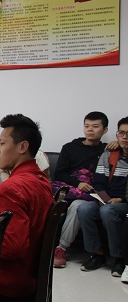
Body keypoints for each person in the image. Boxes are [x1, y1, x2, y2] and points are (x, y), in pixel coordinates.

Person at [0, 114, 53, 299]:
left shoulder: (12, 188)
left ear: (22, 147)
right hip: (27, 273)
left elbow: (12, 248)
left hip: (4, 279)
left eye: (2, 143)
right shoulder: (40, 179)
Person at [51, 111, 110, 268]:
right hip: (71, 190)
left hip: (92, 194)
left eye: (95, 126)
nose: (89, 130)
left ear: (105, 130)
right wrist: (78, 183)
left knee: (78, 206)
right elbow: (59, 173)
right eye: (86, 126)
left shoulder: (107, 151)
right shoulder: (70, 148)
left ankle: (61, 248)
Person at [77, 117, 128, 276]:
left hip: (124, 202)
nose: (125, 137)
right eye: (121, 133)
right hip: (106, 199)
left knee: (108, 211)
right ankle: (97, 254)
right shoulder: (109, 155)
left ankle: (120, 258)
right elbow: (98, 182)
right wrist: (105, 199)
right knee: (84, 209)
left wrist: (121, 199)